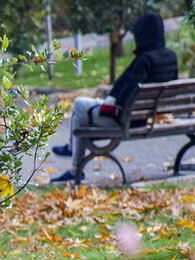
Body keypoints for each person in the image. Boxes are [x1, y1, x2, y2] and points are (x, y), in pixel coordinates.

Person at [51, 13, 178, 182]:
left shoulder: (145, 60)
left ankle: (74, 162)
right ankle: (73, 152)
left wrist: (107, 104)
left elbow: (123, 97)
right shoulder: (170, 56)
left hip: (127, 119)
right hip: (149, 115)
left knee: (79, 106)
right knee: (80, 113)